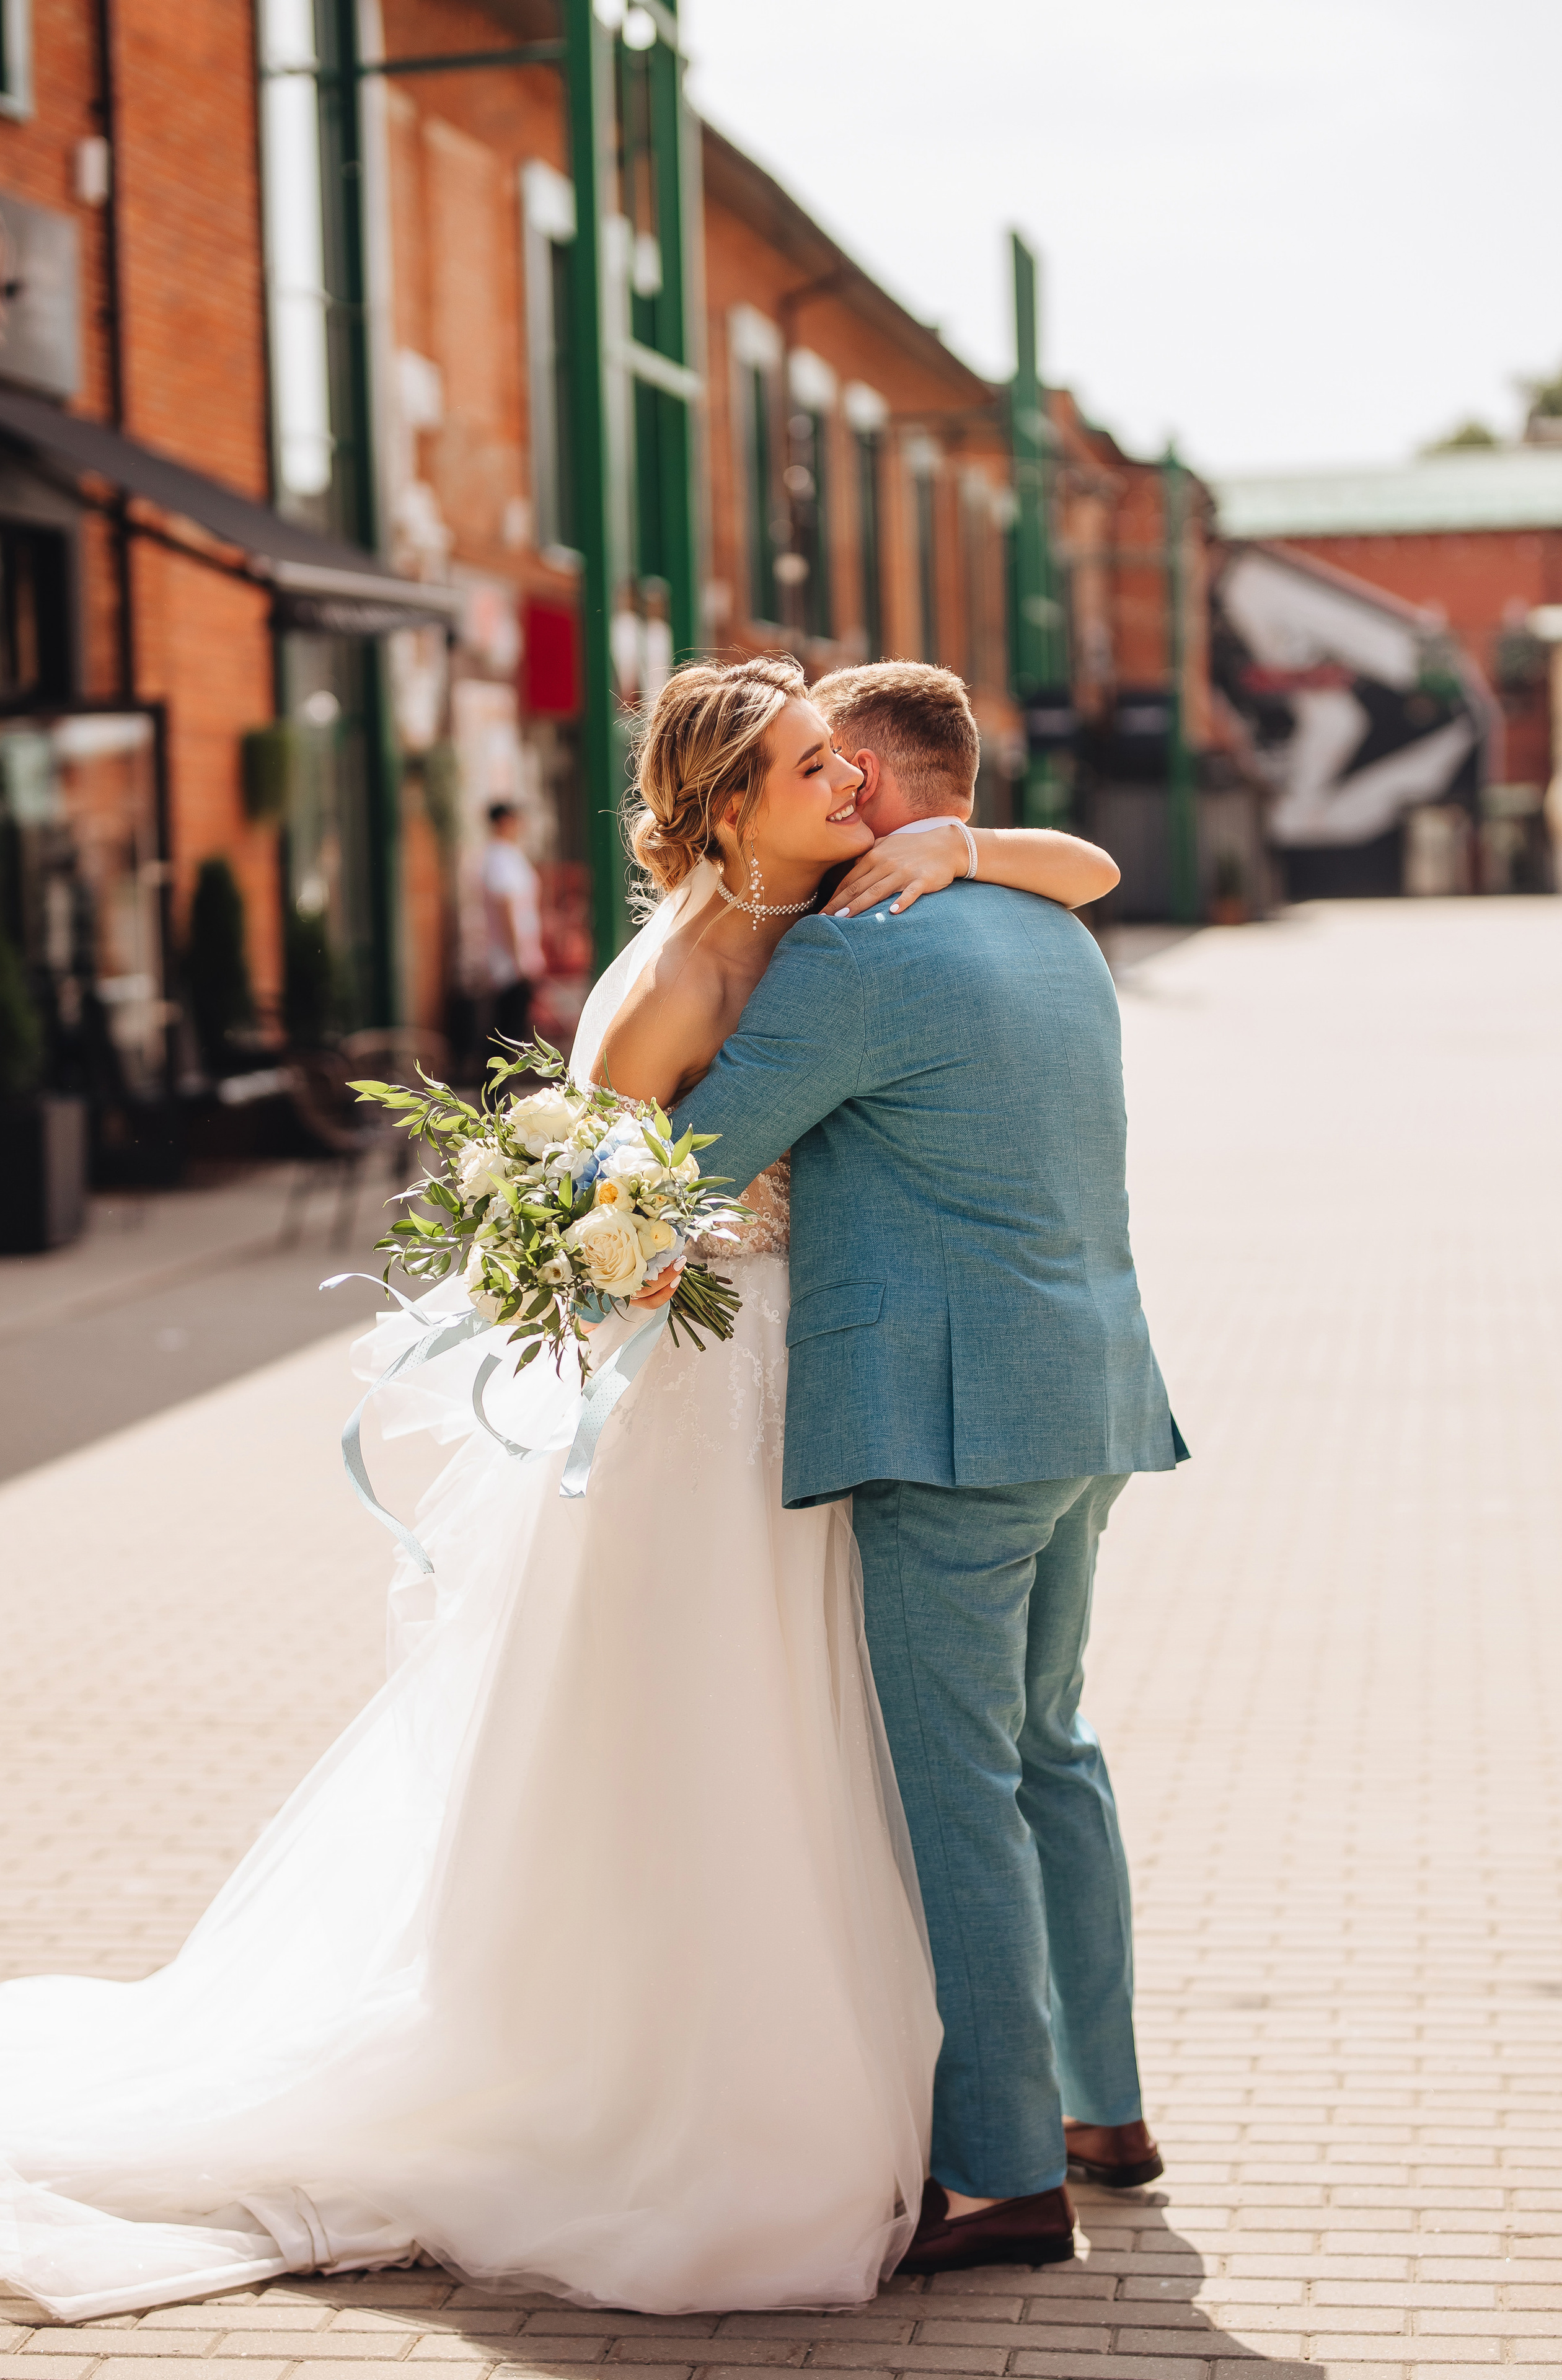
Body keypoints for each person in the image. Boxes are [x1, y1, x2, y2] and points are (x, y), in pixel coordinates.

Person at [0, 657, 1129, 2323]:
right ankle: (743, 2094)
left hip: (843, 1386)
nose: (848, 786)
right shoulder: (687, 975)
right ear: (727, 807)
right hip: (726, 1389)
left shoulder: (858, 916)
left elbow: (1072, 869)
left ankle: (950, 2110)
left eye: (843, 759)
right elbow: (611, 1195)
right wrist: (630, 1248)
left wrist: (957, 845)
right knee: (741, 1734)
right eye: (810, 765)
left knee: (862, 1747)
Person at [660, 659, 1187, 2275]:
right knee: (1050, 1749)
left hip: (949, 1433)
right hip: (1088, 1394)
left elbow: (693, 1161)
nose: (828, 788)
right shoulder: (1052, 926)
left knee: (960, 1790)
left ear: (877, 786)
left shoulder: (854, 955)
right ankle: (1105, 2108)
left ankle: (1003, 2173)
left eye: (834, 763)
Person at [480, 800, 544, 1051]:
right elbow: (505, 908)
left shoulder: (509, 855)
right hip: (510, 961)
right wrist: (519, 957)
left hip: (516, 956)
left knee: (515, 1025)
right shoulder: (499, 858)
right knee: (509, 1030)